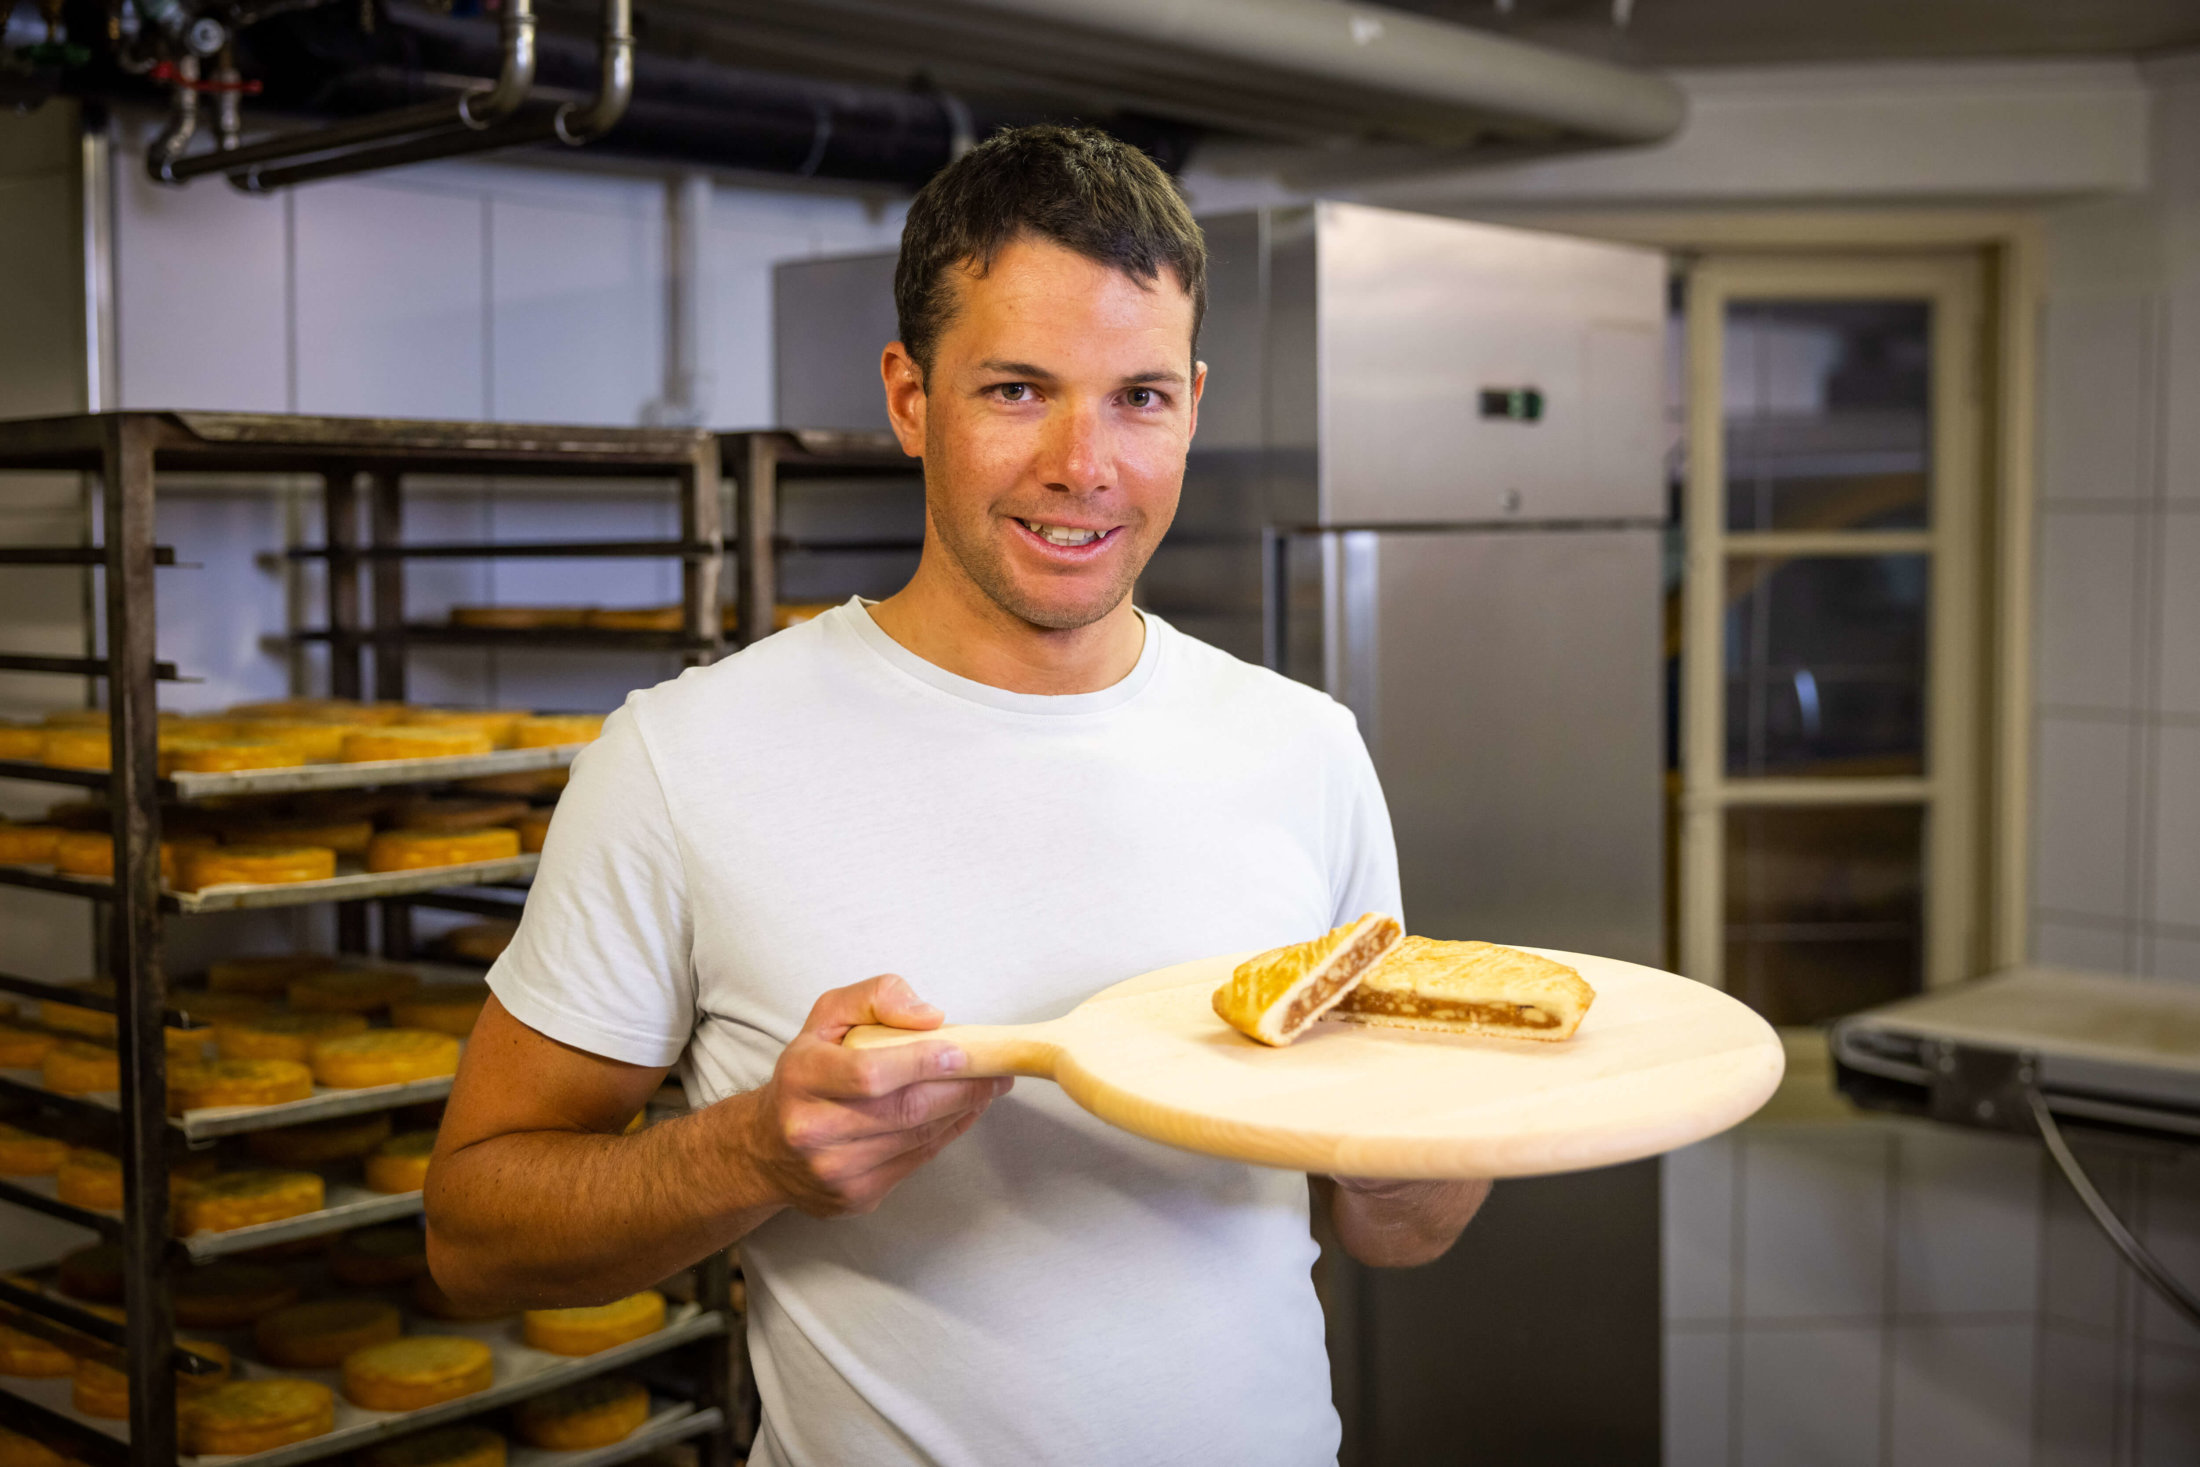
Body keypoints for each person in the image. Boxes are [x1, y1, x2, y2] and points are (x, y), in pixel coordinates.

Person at [425, 124, 1489, 1466]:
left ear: (1196, 402)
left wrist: (1424, 1153)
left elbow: (1399, 1227)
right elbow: (469, 1239)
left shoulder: (1306, 748)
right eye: (1018, 390)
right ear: (911, 397)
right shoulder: (684, 757)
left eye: (1140, 398)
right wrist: (753, 1153)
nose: (1083, 464)